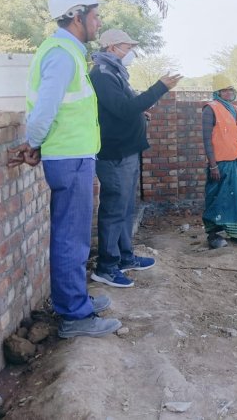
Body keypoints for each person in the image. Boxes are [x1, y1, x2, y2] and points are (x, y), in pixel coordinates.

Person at [7, 0, 121, 338]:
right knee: (71, 239)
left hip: (72, 157)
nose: (98, 23)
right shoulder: (60, 53)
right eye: (95, 15)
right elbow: (44, 112)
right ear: (77, 16)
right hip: (69, 159)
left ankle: (76, 301)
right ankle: (75, 316)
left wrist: (38, 146)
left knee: (73, 237)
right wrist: (34, 143)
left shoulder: (66, 51)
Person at [89, 29, 183, 287]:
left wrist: (140, 117)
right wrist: (159, 88)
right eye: (125, 47)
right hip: (114, 153)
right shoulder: (102, 75)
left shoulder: (116, 72)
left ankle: (125, 258)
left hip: (127, 151)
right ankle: (106, 267)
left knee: (125, 209)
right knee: (114, 210)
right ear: (110, 48)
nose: (129, 52)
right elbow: (122, 109)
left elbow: (126, 109)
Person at [202, 75, 237, 249]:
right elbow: (207, 139)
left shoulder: (236, 110)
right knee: (217, 198)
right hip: (220, 163)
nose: (228, 93)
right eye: (224, 90)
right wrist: (213, 165)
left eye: (230, 90)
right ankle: (214, 235)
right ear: (217, 92)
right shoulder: (210, 109)